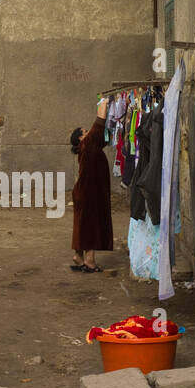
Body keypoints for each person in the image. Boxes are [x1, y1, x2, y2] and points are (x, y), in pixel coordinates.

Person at [70, 98, 114, 272]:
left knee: (82, 224)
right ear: (81, 138)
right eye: (85, 131)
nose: (88, 132)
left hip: (85, 192)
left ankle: (79, 256)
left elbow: (102, 136)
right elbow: (98, 125)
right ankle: (89, 260)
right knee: (91, 225)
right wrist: (104, 102)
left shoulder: (91, 147)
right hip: (88, 193)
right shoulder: (87, 145)